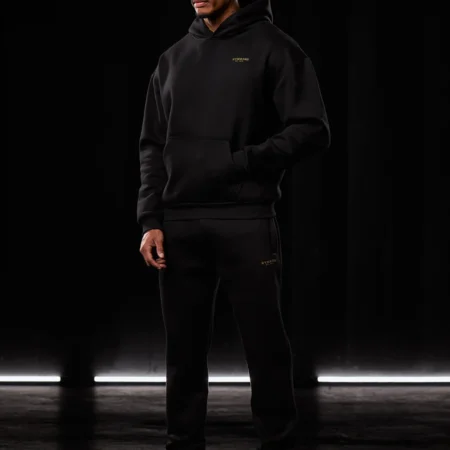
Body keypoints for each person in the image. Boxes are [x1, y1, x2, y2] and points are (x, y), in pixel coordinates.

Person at [137, 0, 330, 448]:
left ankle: (277, 439)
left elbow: (312, 129)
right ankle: (182, 440)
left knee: (266, 347)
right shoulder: (173, 58)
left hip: (246, 219)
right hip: (179, 224)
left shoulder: (274, 47)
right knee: (183, 352)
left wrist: (240, 162)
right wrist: (150, 219)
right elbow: (152, 145)